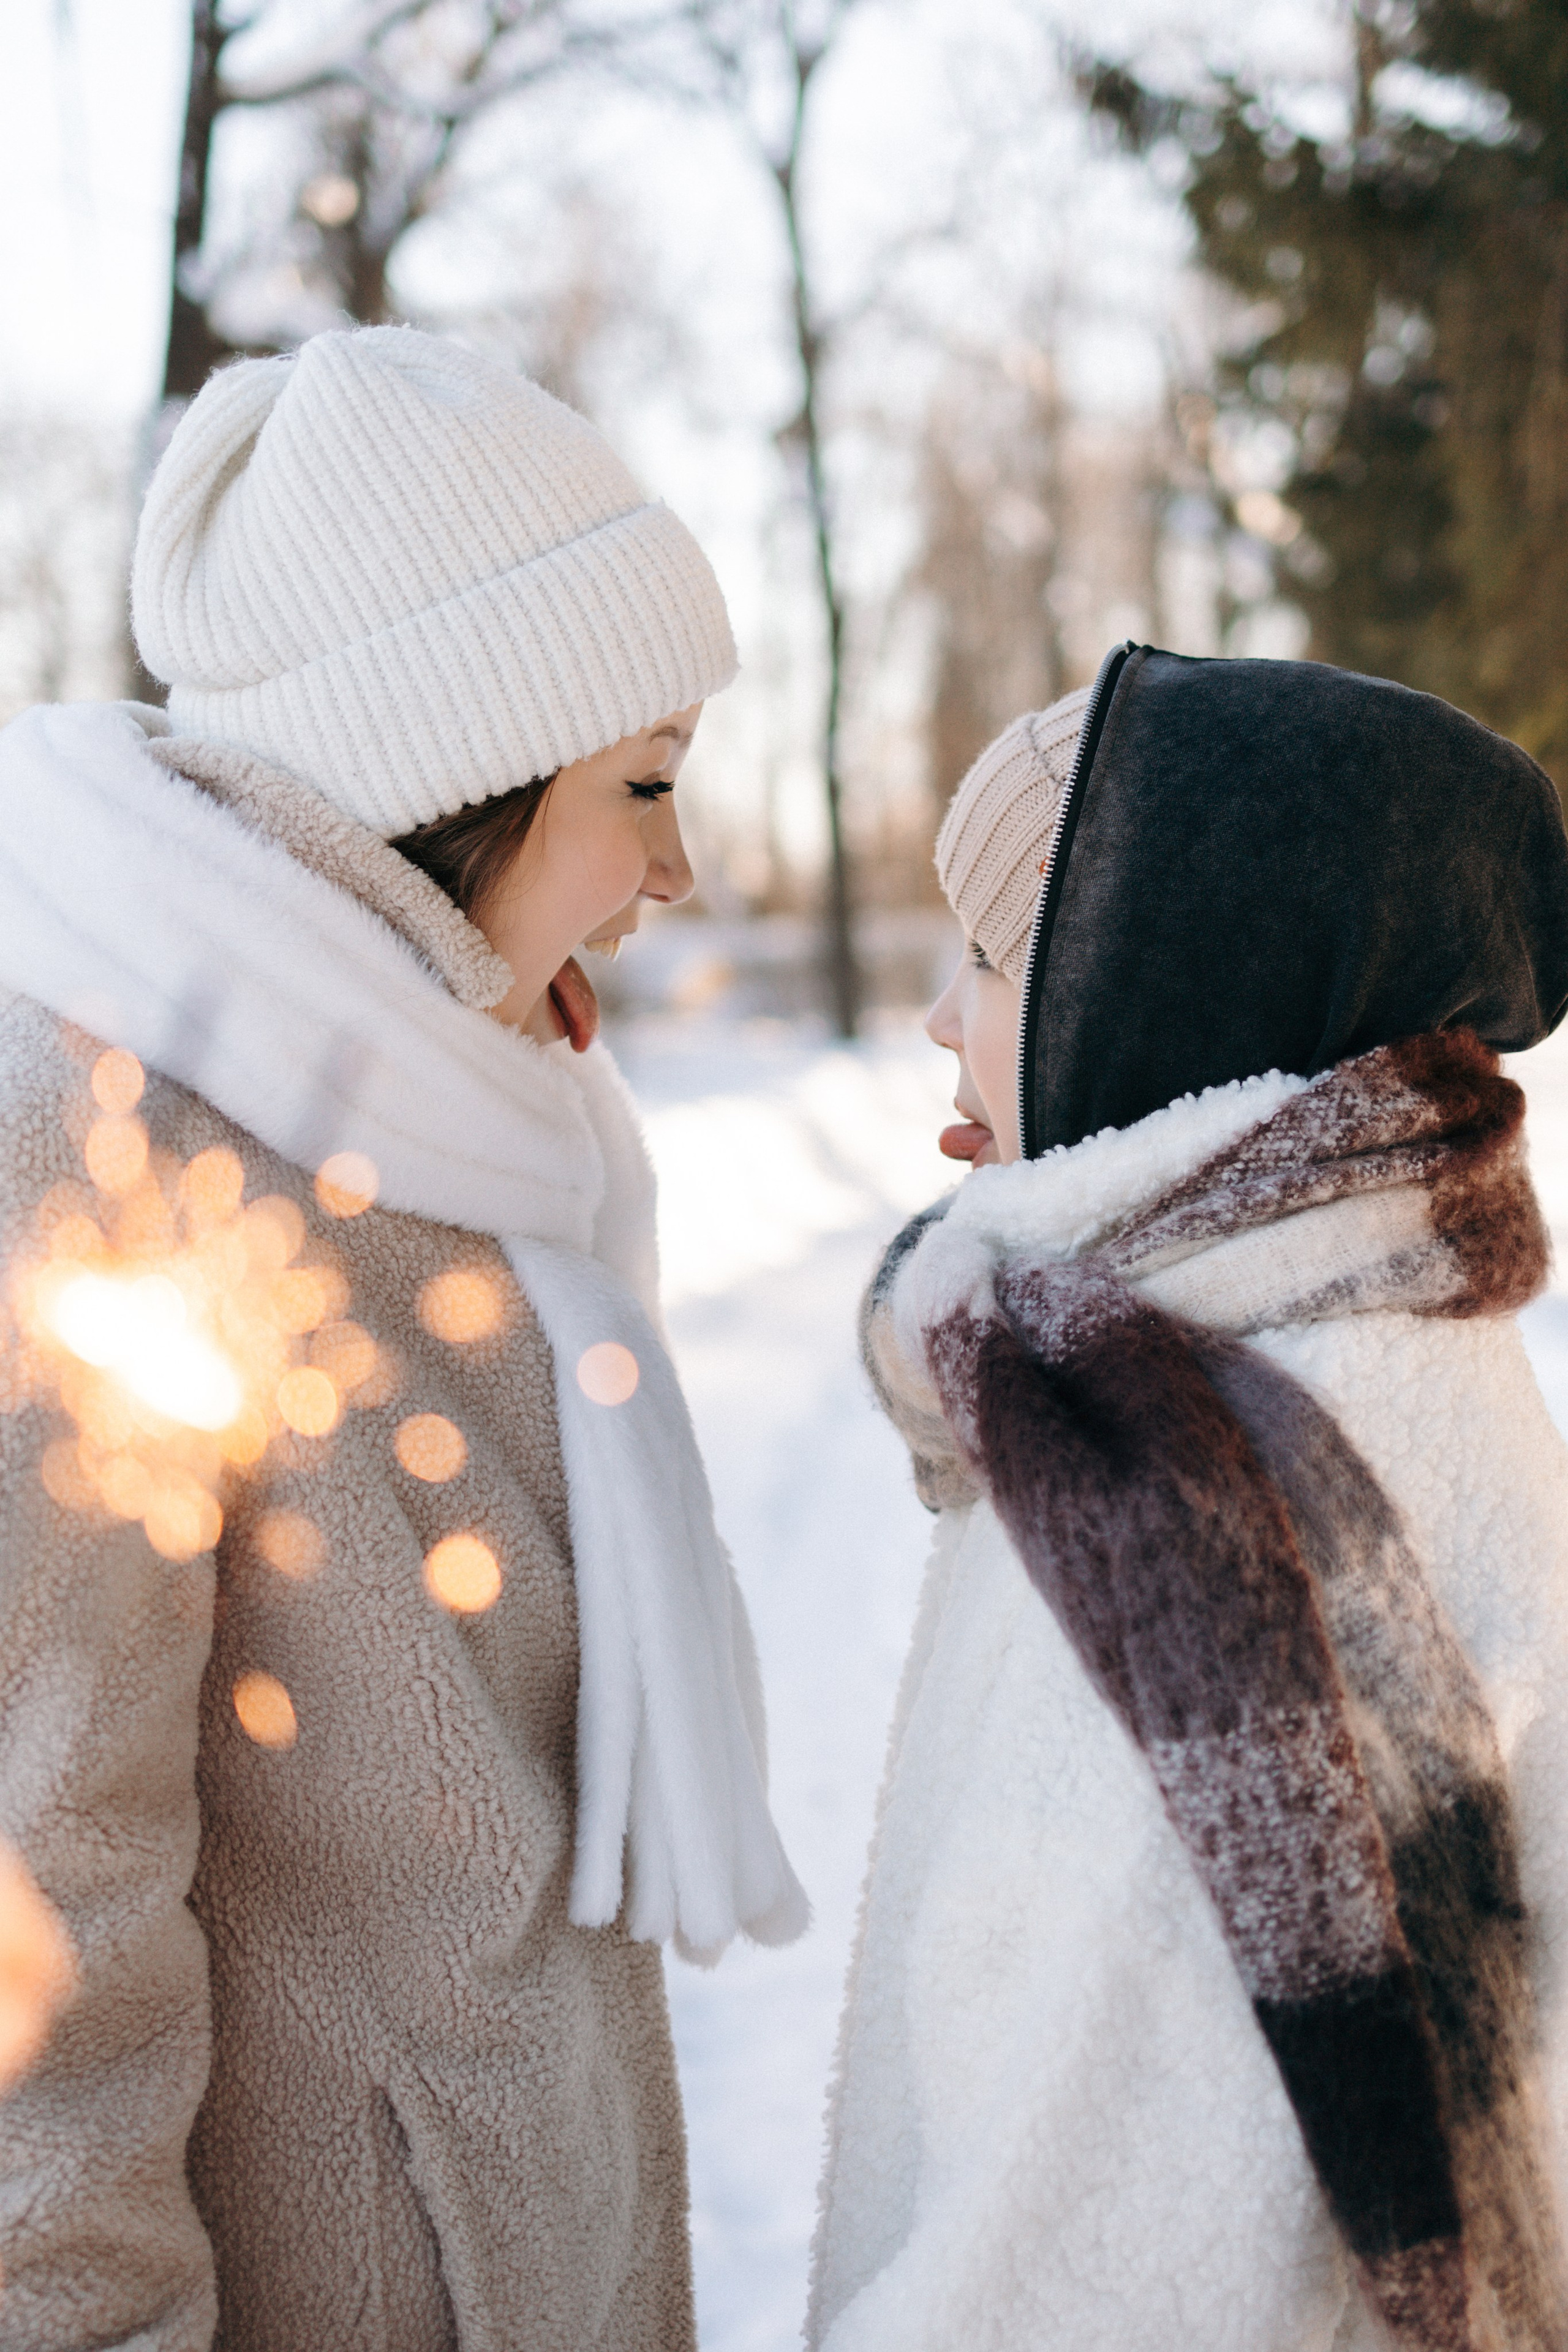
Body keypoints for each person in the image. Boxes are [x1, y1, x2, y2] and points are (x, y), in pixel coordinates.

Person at [0, 326, 805, 2352]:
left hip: (538, 2243)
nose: (677, 871)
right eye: (644, 784)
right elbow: (36, 1879)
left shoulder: (460, 1118)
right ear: (450, 776)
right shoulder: (100, 1140)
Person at [809, 643, 1568, 2351]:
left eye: (991, 958)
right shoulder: (1321, 1346)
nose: (940, 1017)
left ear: (1153, 1006)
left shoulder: (1197, 1500)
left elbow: (1101, 2275)